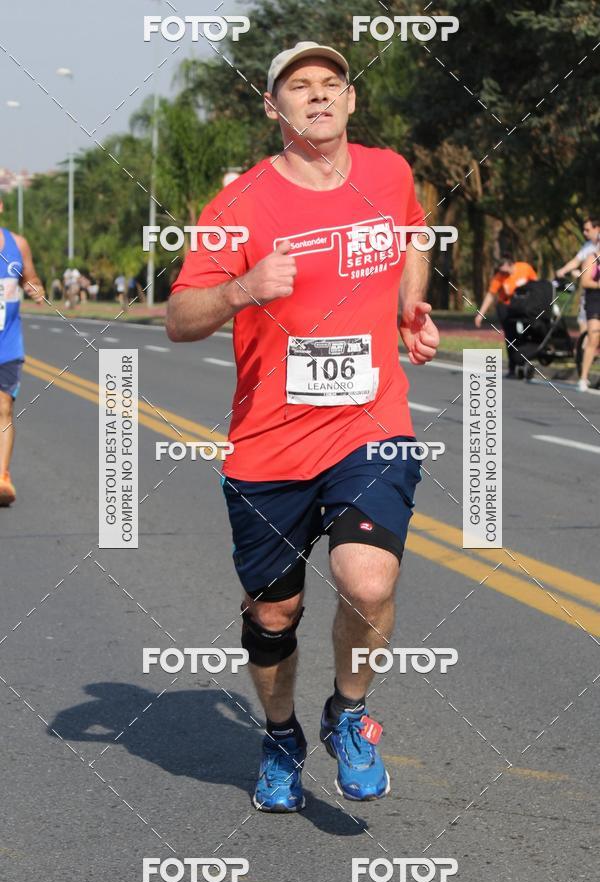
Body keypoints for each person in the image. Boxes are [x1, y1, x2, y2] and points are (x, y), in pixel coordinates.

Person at [166, 42, 439, 811]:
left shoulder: (388, 173)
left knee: (368, 578)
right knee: (274, 610)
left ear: (351, 101)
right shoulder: (239, 206)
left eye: (331, 85)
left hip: (369, 426)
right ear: (273, 108)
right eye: (298, 87)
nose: (317, 96)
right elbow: (179, 318)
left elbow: (414, 235)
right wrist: (243, 287)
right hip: (269, 445)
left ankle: (348, 716)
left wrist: (407, 305)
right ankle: (282, 733)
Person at [0, 198, 44, 505]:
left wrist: (36, 288)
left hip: (8, 342)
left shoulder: (18, 244)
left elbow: (30, 277)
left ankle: (2, 476)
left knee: (4, 407)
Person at [474, 256, 537, 376]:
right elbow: (491, 295)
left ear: (510, 264)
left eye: (503, 268)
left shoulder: (525, 268)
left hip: (525, 307)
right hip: (507, 308)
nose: (502, 272)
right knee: (511, 337)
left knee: (526, 334)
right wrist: (480, 314)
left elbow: (536, 284)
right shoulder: (499, 277)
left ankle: (525, 360)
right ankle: (513, 367)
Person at [556, 216, 600, 335]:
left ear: (597, 228)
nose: (584, 233)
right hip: (590, 293)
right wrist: (563, 270)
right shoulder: (588, 246)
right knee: (583, 324)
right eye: (584, 230)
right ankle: (583, 350)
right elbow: (576, 261)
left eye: (588, 230)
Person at [577, 237, 600, 391]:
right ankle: (583, 377)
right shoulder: (592, 258)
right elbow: (584, 281)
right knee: (593, 337)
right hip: (595, 301)